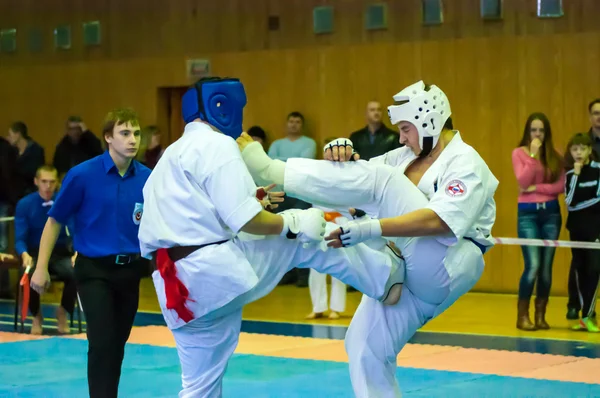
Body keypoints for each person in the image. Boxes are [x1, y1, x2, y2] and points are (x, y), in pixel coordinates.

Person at [137, 76, 405, 398]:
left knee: (198, 389)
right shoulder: (216, 144)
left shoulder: (172, 154)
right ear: (221, 106)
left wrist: (258, 199)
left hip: (176, 290)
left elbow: (200, 214)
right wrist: (289, 225)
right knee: (308, 231)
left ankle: (379, 278)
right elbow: (247, 220)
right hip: (210, 273)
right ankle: (385, 279)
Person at [238, 80, 498, 397]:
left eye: (405, 128)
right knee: (364, 347)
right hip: (409, 274)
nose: (401, 137)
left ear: (428, 120)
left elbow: (440, 222)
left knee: (382, 183)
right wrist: (344, 158)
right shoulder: (402, 157)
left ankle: (269, 168)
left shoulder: (466, 162)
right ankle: (381, 275)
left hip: (445, 261)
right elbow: (350, 190)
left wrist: (372, 228)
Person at [30, 108, 152, 398]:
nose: (133, 139)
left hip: (131, 270)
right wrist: (41, 266)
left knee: (117, 344)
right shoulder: (82, 175)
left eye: (136, 133)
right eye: (125, 133)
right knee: (102, 342)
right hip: (94, 271)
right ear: (108, 137)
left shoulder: (148, 178)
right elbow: (55, 220)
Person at [511, 113, 564, 331]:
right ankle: (522, 316)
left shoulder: (555, 155)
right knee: (532, 265)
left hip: (551, 213)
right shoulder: (519, 154)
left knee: (546, 269)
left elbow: (560, 186)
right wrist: (532, 157)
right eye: (534, 130)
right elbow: (523, 182)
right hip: (528, 214)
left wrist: (538, 188)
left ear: (546, 132)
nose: (537, 134)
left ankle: (541, 314)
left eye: (541, 130)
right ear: (527, 132)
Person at [14, 165, 76, 335]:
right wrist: (24, 254)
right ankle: (36, 315)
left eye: (52, 182)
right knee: (32, 273)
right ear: (36, 182)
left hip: (60, 252)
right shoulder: (24, 204)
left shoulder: (65, 202)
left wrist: (77, 251)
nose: (48, 186)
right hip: (34, 253)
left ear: (57, 183)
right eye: (44, 182)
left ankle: (63, 311)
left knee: (77, 271)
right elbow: (19, 237)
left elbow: (75, 230)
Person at [564, 133, 600, 332]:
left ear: (589, 150)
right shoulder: (570, 175)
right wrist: (576, 175)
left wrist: (580, 205)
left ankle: (589, 314)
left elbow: (598, 199)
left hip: (594, 227)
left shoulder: (598, 171)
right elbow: (569, 202)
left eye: (582, 149)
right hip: (575, 228)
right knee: (580, 270)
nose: (578, 153)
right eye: (574, 149)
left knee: (594, 269)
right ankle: (585, 317)